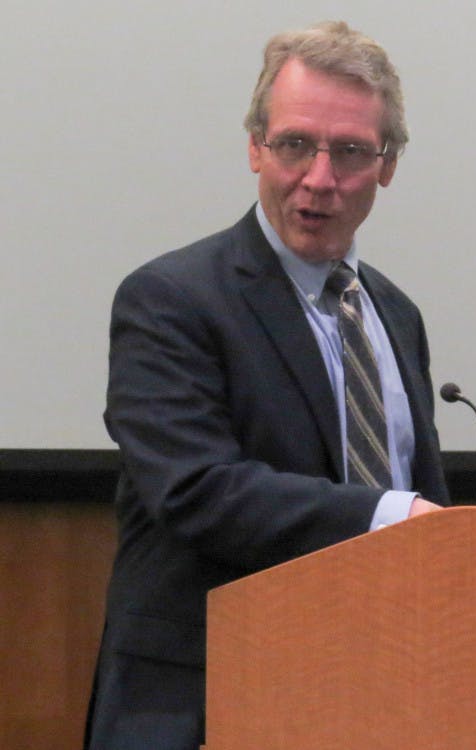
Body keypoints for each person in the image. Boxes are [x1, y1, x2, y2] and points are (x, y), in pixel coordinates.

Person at [84, 21, 449, 750]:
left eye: (349, 152)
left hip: (379, 694)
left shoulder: (395, 314)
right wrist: (388, 516)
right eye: (294, 145)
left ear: (388, 165)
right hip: (209, 700)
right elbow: (196, 490)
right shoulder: (171, 299)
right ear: (255, 145)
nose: (319, 178)